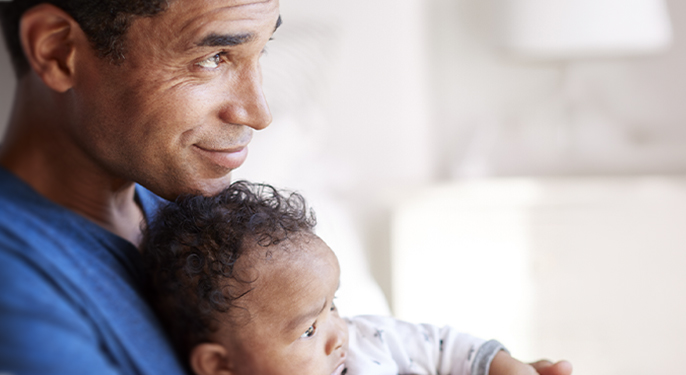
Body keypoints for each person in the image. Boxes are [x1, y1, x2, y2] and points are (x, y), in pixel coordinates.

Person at [0, 1, 571, 374]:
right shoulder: (19, 292)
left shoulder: (203, 221)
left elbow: (367, 340)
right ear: (57, 49)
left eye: (260, 50)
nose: (258, 111)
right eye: (213, 56)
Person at [142, 181, 562, 375]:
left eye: (334, 307)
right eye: (308, 330)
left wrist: (505, 367)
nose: (338, 333)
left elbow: (449, 349)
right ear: (220, 366)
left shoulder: (369, 341)